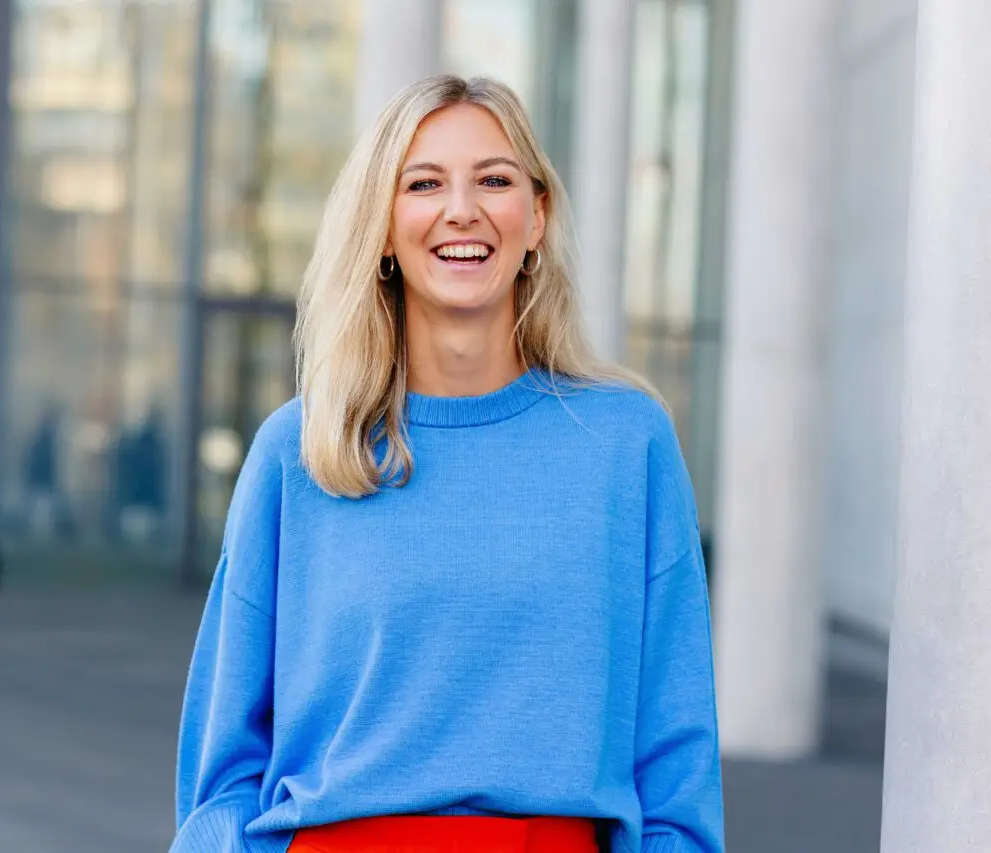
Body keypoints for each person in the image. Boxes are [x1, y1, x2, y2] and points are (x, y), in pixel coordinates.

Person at [173, 75, 724, 853]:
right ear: (384, 226)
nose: (461, 209)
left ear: (537, 216)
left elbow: (677, 761)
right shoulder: (300, 452)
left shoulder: (626, 445)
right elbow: (222, 769)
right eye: (424, 183)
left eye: (494, 180)